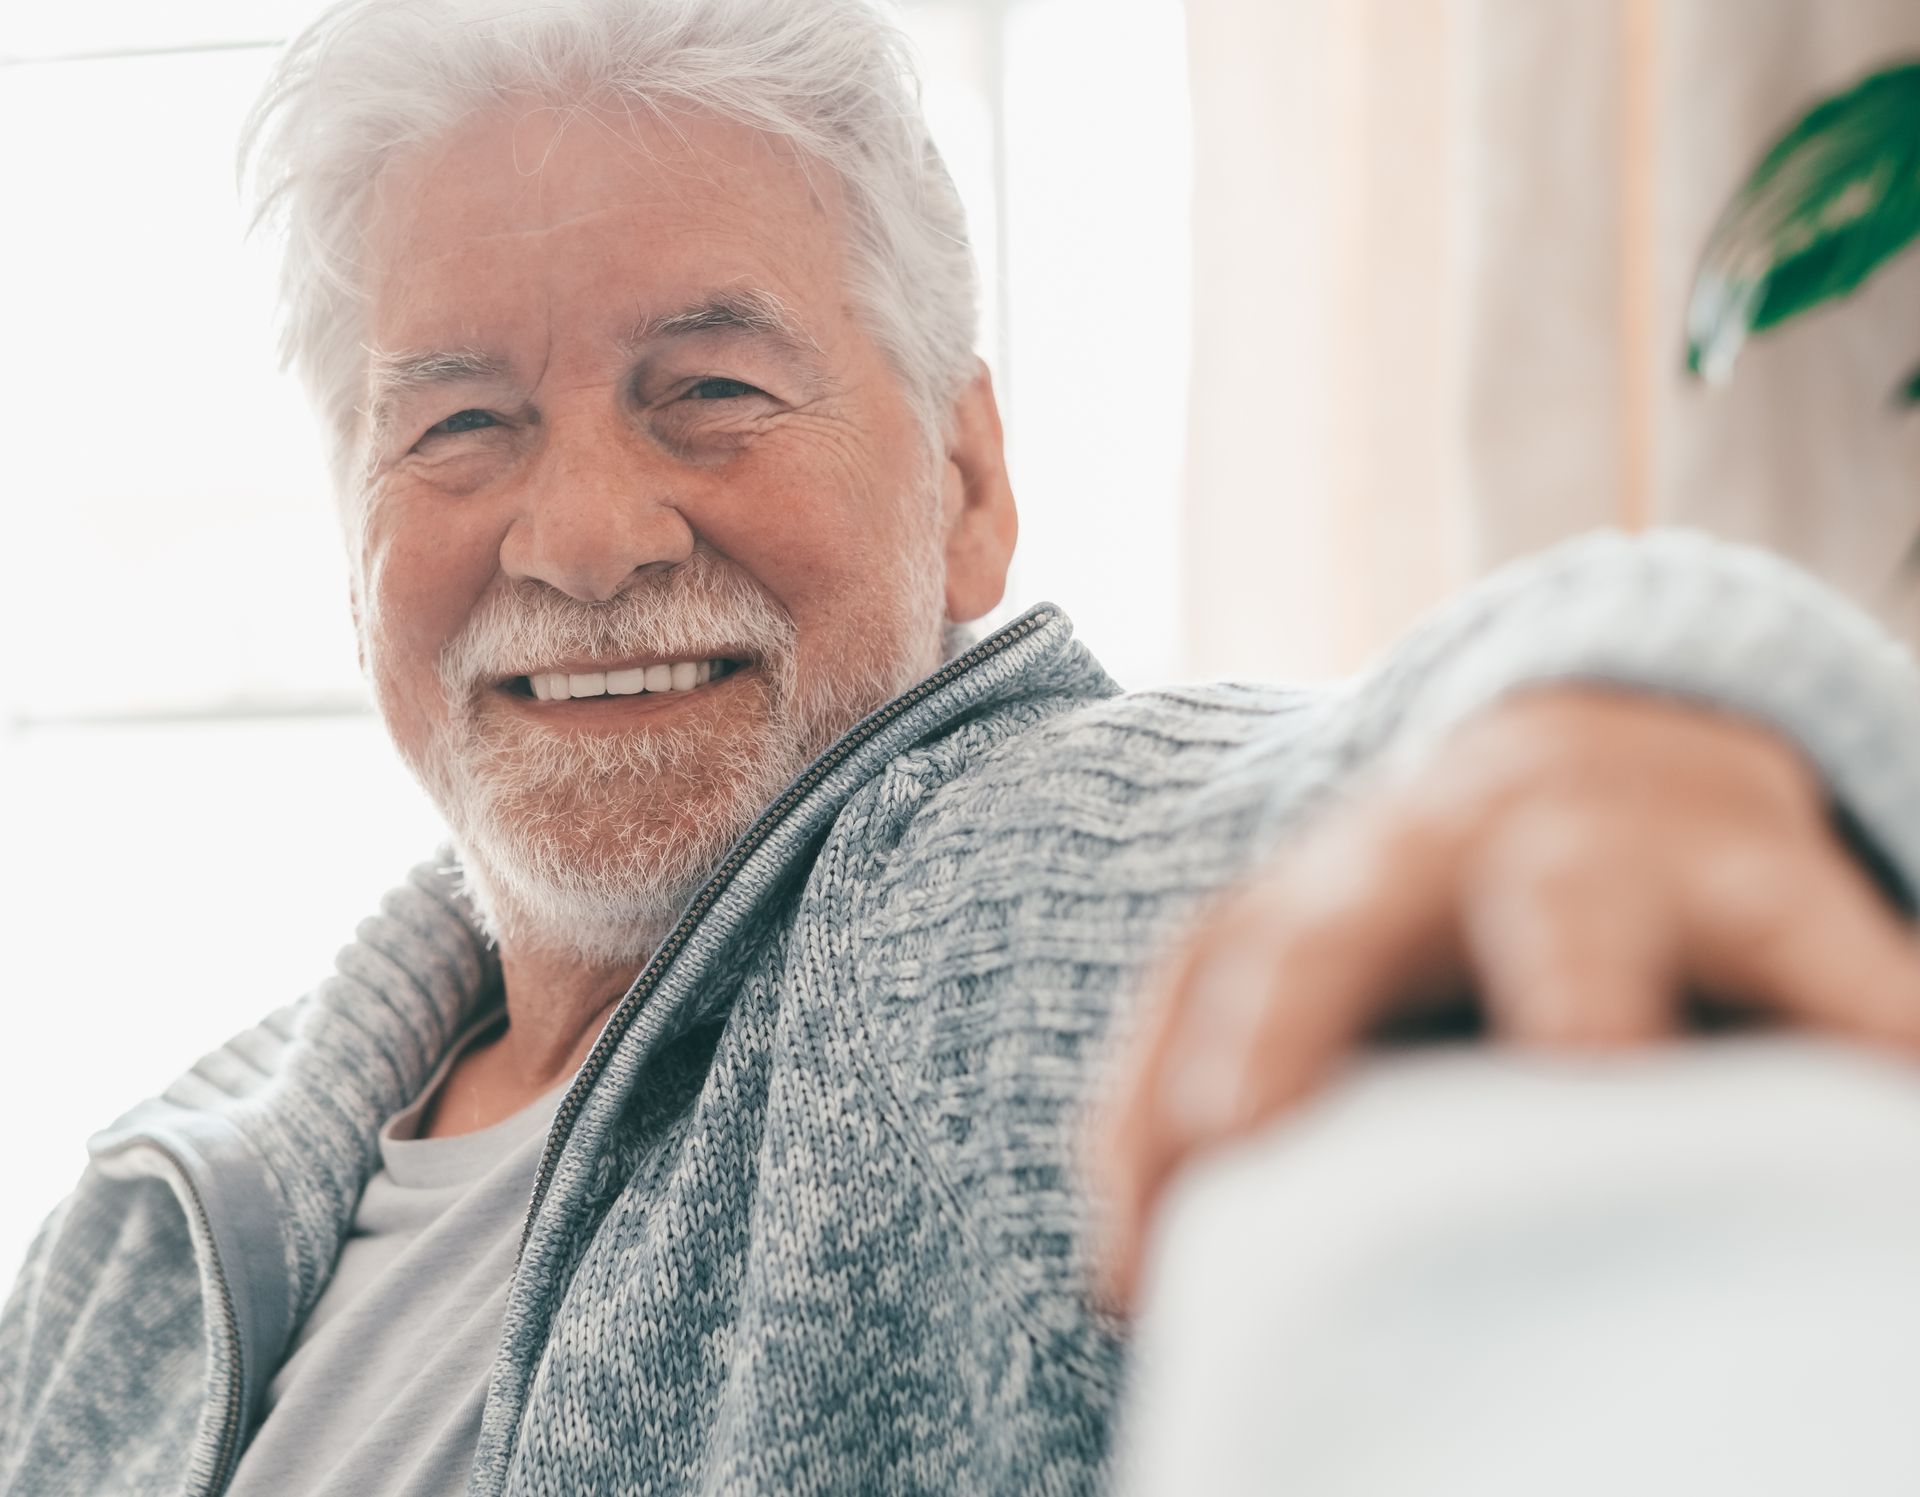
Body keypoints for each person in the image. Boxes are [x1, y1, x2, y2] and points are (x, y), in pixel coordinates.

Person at [6, 1, 1920, 1493]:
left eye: (713, 392)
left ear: (969, 482)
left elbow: (1275, 811)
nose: (585, 533)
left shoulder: (952, 904)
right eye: (461, 424)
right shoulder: (159, 1198)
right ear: (353, 531)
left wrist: (1620, 714)